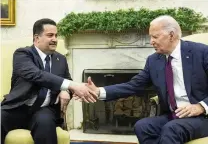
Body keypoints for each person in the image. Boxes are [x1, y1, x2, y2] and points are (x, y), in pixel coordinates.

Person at [74, 15, 208, 144]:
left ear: (171, 35)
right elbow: (133, 85)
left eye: (155, 36)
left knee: (172, 129)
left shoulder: (201, 53)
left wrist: (201, 106)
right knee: (143, 126)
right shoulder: (154, 60)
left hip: (202, 117)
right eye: (150, 37)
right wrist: (98, 92)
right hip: (174, 115)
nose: (151, 42)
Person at [1, 18, 97, 144]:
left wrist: (67, 91)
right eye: (50, 35)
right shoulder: (22, 54)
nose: (55, 39)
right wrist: (72, 85)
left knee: (45, 123)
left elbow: (67, 80)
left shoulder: (60, 59)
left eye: (56, 35)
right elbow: (36, 75)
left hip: (44, 109)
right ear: (37, 38)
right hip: (17, 106)